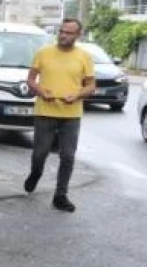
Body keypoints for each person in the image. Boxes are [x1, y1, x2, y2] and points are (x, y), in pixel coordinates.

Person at [24, 18, 95, 212]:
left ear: (78, 35)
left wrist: (78, 95)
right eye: (61, 31)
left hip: (71, 114)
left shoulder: (84, 57)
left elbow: (91, 86)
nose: (63, 35)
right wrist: (40, 91)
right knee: (40, 153)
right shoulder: (43, 53)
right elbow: (30, 79)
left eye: (68, 32)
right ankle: (35, 173)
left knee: (68, 156)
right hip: (45, 111)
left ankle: (60, 195)